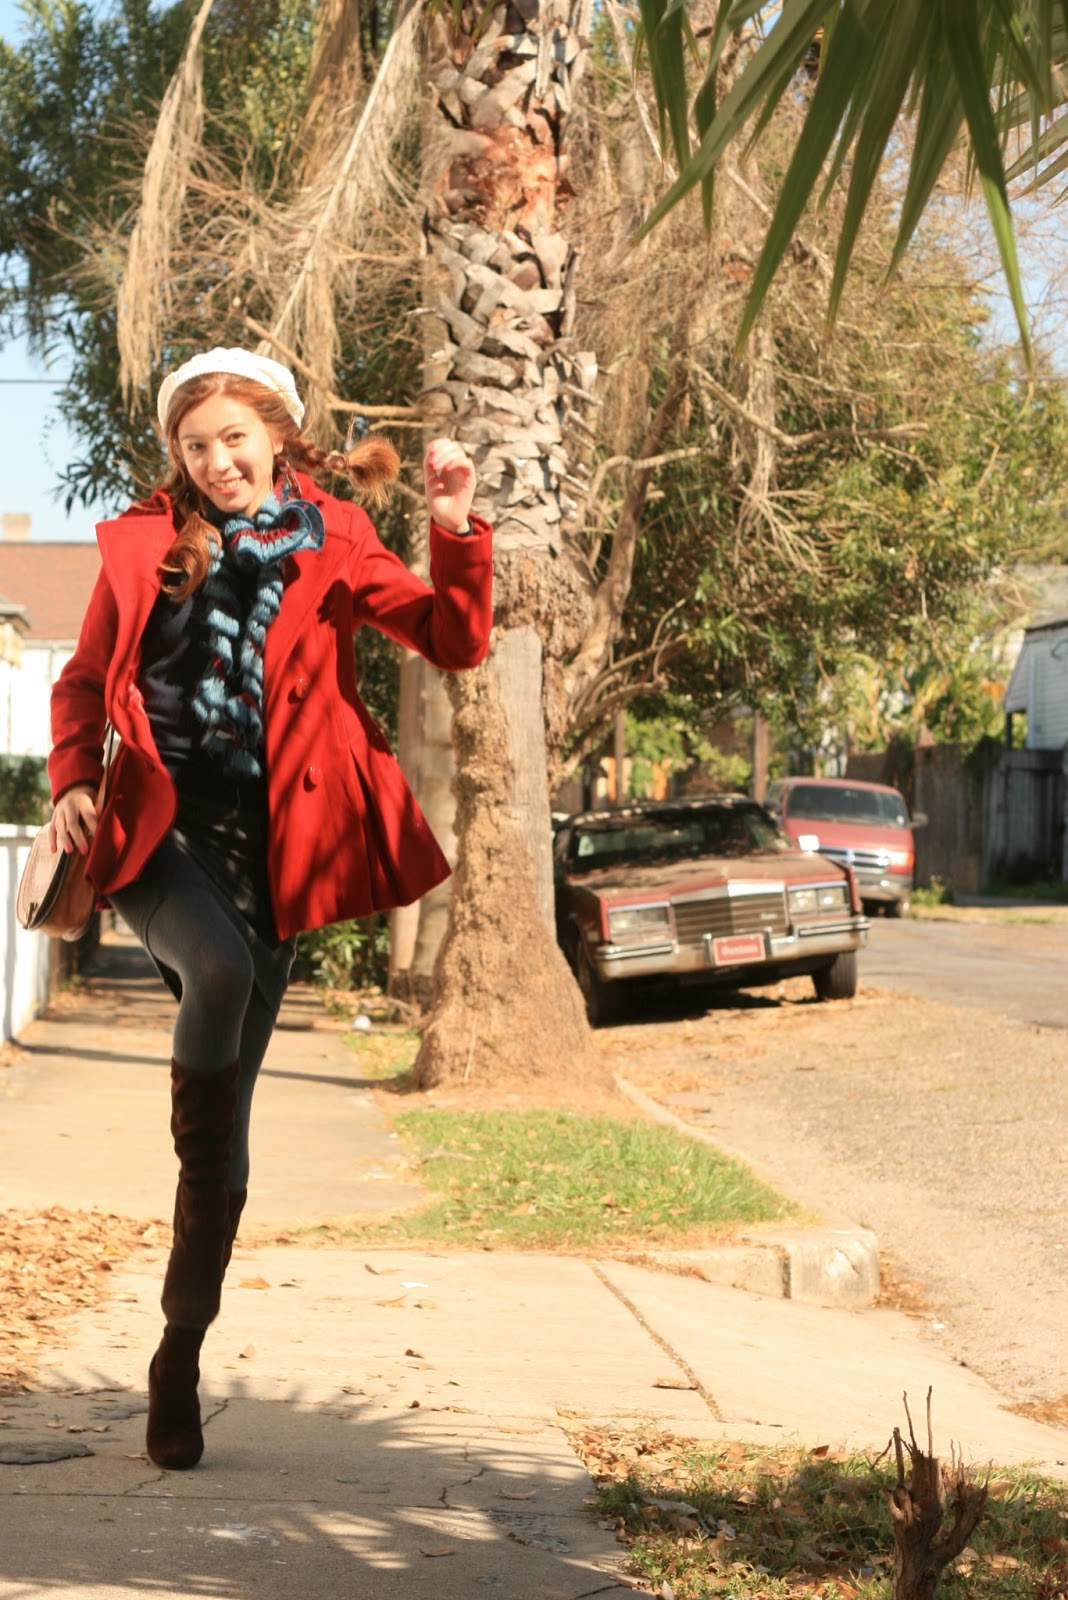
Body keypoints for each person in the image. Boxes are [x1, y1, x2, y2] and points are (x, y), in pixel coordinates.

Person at [47, 346, 493, 1471]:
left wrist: (454, 530)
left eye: (234, 439)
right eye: (194, 446)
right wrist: (73, 781)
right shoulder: (146, 543)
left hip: (276, 854)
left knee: (227, 1167)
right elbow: (83, 680)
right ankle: (193, 1143)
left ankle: (177, 1352)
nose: (216, 462)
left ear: (278, 437)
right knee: (218, 972)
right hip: (155, 834)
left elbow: (453, 640)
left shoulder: (337, 537)